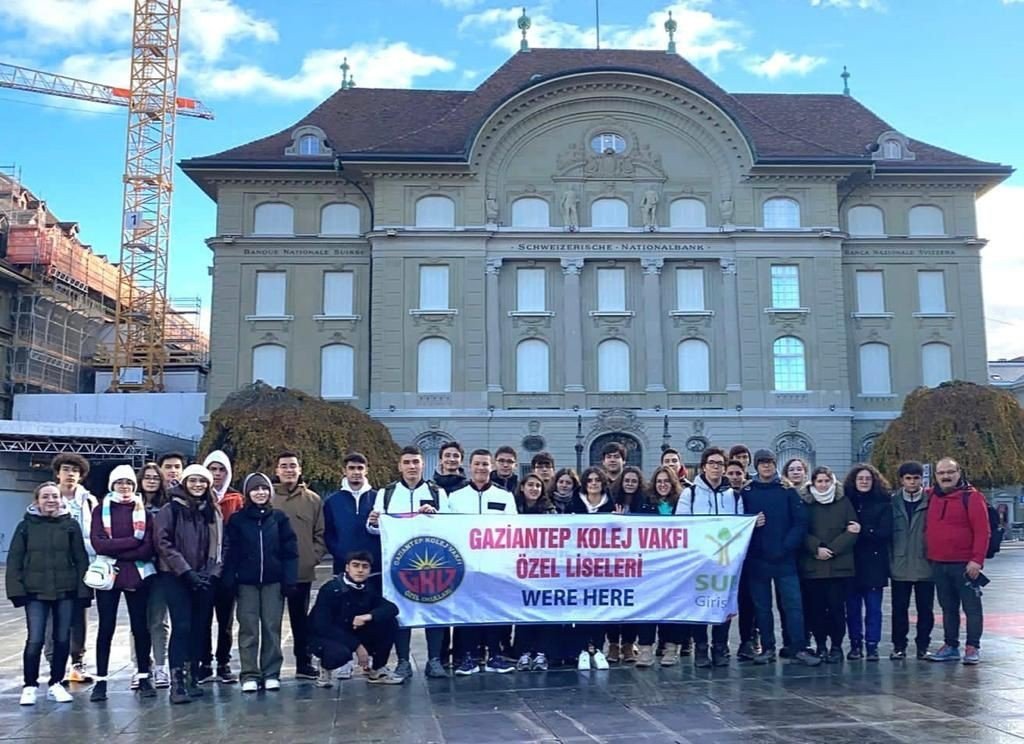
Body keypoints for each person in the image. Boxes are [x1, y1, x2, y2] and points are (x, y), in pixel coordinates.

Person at [367, 445, 448, 679]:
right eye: (407, 462)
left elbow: (450, 528)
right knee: (400, 612)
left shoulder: (437, 493)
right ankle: (403, 660)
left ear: (423, 465)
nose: (412, 467)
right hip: (398, 565)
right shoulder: (387, 493)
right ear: (399, 466)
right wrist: (373, 522)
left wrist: (435, 516)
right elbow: (376, 530)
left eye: (416, 462)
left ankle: (434, 660)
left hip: (432, 563)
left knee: (435, 610)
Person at [7, 482, 91, 706]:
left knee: (62, 639)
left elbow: (81, 559)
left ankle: (56, 683)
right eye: (45, 497)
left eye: (55, 496)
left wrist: (84, 592)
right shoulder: (25, 527)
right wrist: (16, 590)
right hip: (35, 591)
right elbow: (14, 560)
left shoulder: (70, 525)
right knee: (35, 639)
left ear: (61, 499)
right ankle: (30, 685)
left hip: (65, 590)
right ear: (37, 501)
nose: (51, 500)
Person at [741, 449, 820, 667]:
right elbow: (738, 522)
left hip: (785, 559)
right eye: (762, 463)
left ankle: (798, 647)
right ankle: (767, 648)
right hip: (758, 559)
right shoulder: (747, 491)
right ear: (756, 466)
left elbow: (800, 522)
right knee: (762, 607)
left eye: (770, 463)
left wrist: (787, 547)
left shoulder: (787, 490)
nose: (767, 466)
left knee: (793, 606)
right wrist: (751, 524)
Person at [222, 472, 298, 692]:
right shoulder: (237, 520)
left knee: (271, 626)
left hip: (273, 582)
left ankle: (271, 671)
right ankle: (249, 673)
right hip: (246, 583)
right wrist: (230, 579)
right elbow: (231, 552)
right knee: (248, 628)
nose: (260, 492)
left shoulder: (280, 518)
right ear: (248, 493)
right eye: (255, 489)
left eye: (264, 488)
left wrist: (289, 579)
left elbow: (290, 551)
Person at [89, 465, 158, 702]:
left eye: (129, 483)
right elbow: (98, 544)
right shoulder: (100, 510)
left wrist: (116, 548)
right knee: (105, 627)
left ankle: (143, 675)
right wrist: (131, 543)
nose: (125, 487)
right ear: (112, 485)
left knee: (141, 627)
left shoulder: (143, 512)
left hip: (137, 575)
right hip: (108, 575)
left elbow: (147, 547)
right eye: (120, 482)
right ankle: (101, 681)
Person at [155, 464, 222, 704]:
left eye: (202, 481)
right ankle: (178, 682)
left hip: (204, 576)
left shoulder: (211, 510)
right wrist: (185, 571)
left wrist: (212, 572)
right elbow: (164, 543)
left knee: (199, 627)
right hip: (175, 576)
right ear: (185, 482)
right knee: (181, 626)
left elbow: (219, 545)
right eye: (193, 481)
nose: (198, 485)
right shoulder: (170, 509)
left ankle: (193, 676)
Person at [448, 449, 518, 675]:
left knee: (493, 611)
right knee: (466, 612)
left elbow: (514, 531)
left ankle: (495, 655)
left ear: (492, 467)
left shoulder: (504, 496)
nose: (481, 468)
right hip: (466, 566)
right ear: (470, 467)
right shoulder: (455, 497)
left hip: (494, 566)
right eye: (477, 464)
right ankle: (467, 656)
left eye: (485, 464)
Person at [677, 447, 742, 667]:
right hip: (699, 559)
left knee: (722, 603)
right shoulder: (691, 493)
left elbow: (740, 524)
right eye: (712, 463)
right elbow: (681, 525)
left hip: (725, 561)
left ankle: (720, 647)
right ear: (704, 466)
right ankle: (701, 647)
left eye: (720, 464)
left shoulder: (733, 495)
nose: (716, 467)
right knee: (700, 604)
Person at [925, 457, 990, 665]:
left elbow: (983, 531)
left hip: (964, 565)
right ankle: (950, 645)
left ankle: (972, 647)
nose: (946, 476)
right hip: (938, 563)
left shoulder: (972, 497)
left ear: (959, 473)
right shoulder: (931, 496)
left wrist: (977, 560)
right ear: (936, 476)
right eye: (941, 473)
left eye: (950, 472)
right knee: (948, 608)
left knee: (972, 607)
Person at [308, 551, 404, 686]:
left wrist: (368, 616)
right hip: (329, 636)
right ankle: (325, 668)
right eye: (355, 565)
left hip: (355, 630)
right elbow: (322, 626)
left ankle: (377, 669)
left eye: (365, 566)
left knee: (389, 622)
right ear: (347, 568)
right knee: (339, 654)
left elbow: (392, 608)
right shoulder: (330, 589)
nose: (360, 570)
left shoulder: (369, 588)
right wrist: (357, 646)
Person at [271, 451, 325, 680]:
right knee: (271, 621)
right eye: (284, 466)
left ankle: (304, 663)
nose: (289, 470)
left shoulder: (312, 499)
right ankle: (270, 666)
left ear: (300, 469)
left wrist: (312, 557)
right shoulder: (269, 497)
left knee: (300, 621)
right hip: (273, 572)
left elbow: (320, 534)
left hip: (302, 572)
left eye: (293, 466)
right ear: (277, 471)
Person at [798, 466, 859, 664]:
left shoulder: (843, 501)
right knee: (816, 610)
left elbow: (853, 529)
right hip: (813, 566)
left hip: (838, 566)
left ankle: (836, 646)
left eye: (827, 481)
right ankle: (821, 645)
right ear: (813, 483)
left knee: (836, 610)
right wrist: (816, 548)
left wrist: (832, 549)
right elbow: (800, 529)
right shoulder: (805, 503)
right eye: (820, 481)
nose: (823, 485)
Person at [47, 453, 97, 684]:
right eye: (66, 469)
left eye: (75, 471)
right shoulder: (49, 497)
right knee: (53, 616)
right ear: (58, 473)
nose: (70, 474)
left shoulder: (88, 500)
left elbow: (97, 532)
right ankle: (53, 663)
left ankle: (77, 663)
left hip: (81, 567)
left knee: (79, 616)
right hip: (53, 567)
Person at [199, 450, 244, 684]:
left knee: (225, 620)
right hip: (203, 568)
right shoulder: (197, 496)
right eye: (212, 469)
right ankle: (204, 663)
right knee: (203, 618)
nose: (216, 474)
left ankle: (224, 662)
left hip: (228, 568)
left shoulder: (235, 499)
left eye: (221, 470)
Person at [634, 465, 685, 668]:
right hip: (651, 565)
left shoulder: (682, 503)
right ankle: (645, 648)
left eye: (666, 481)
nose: (662, 485)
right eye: (659, 481)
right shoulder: (645, 503)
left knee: (673, 607)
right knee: (648, 607)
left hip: (676, 565)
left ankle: (670, 648)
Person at [843, 463, 892, 661]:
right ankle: (855, 644)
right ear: (854, 481)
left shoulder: (883, 503)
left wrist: (863, 530)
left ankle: (872, 645)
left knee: (874, 609)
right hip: (851, 563)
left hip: (874, 564)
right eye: (860, 478)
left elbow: (885, 533)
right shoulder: (847, 502)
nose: (864, 482)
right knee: (852, 609)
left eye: (868, 479)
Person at [570, 467, 615, 670]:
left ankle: (597, 649)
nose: (594, 483)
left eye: (598, 480)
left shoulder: (612, 504)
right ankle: (582, 649)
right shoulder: (575, 503)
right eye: (590, 480)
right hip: (579, 564)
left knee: (600, 608)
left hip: (604, 566)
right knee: (581, 609)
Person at [889, 461, 934, 661]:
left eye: (916, 478)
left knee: (925, 610)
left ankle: (923, 646)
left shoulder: (931, 501)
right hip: (899, 565)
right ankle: (899, 646)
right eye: (908, 478)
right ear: (902, 480)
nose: (912, 482)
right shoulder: (892, 502)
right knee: (899, 609)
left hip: (925, 564)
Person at [513, 474, 557, 671]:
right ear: (522, 487)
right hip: (519, 566)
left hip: (544, 568)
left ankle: (541, 652)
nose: (534, 489)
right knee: (523, 611)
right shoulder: (512, 509)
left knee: (544, 611)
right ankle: (523, 652)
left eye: (538, 486)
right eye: (530, 485)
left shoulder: (550, 512)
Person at [135, 462, 172, 689]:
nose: (151, 481)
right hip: (136, 568)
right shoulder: (130, 504)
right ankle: (140, 665)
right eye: (147, 477)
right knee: (138, 622)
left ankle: (160, 665)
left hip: (160, 569)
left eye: (155, 478)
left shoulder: (167, 506)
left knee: (159, 620)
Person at [604, 466, 645, 664]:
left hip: (637, 561)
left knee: (633, 604)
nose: (630, 484)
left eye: (634, 481)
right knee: (612, 603)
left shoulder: (644, 503)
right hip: (613, 562)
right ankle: (613, 644)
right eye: (627, 480)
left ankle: (628, 644)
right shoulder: (610, 502)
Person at [324, 452, 379, 577]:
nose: (356, 472)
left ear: (366, 471)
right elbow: (328, 533)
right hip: (342, 567)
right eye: (352, 468)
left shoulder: (379, 498)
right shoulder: (332, 501)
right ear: (344, 471)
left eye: (360, 468)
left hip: (374, 568)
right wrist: (340, 553)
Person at [725, 457, 758, 659]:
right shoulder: (723, 496)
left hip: (747, 558)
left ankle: (748, 640)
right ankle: (720, 643)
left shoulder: (750, 495)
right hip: (722, 559)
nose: (735, 477)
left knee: (748, 601)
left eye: (739, 474)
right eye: (731, 473)